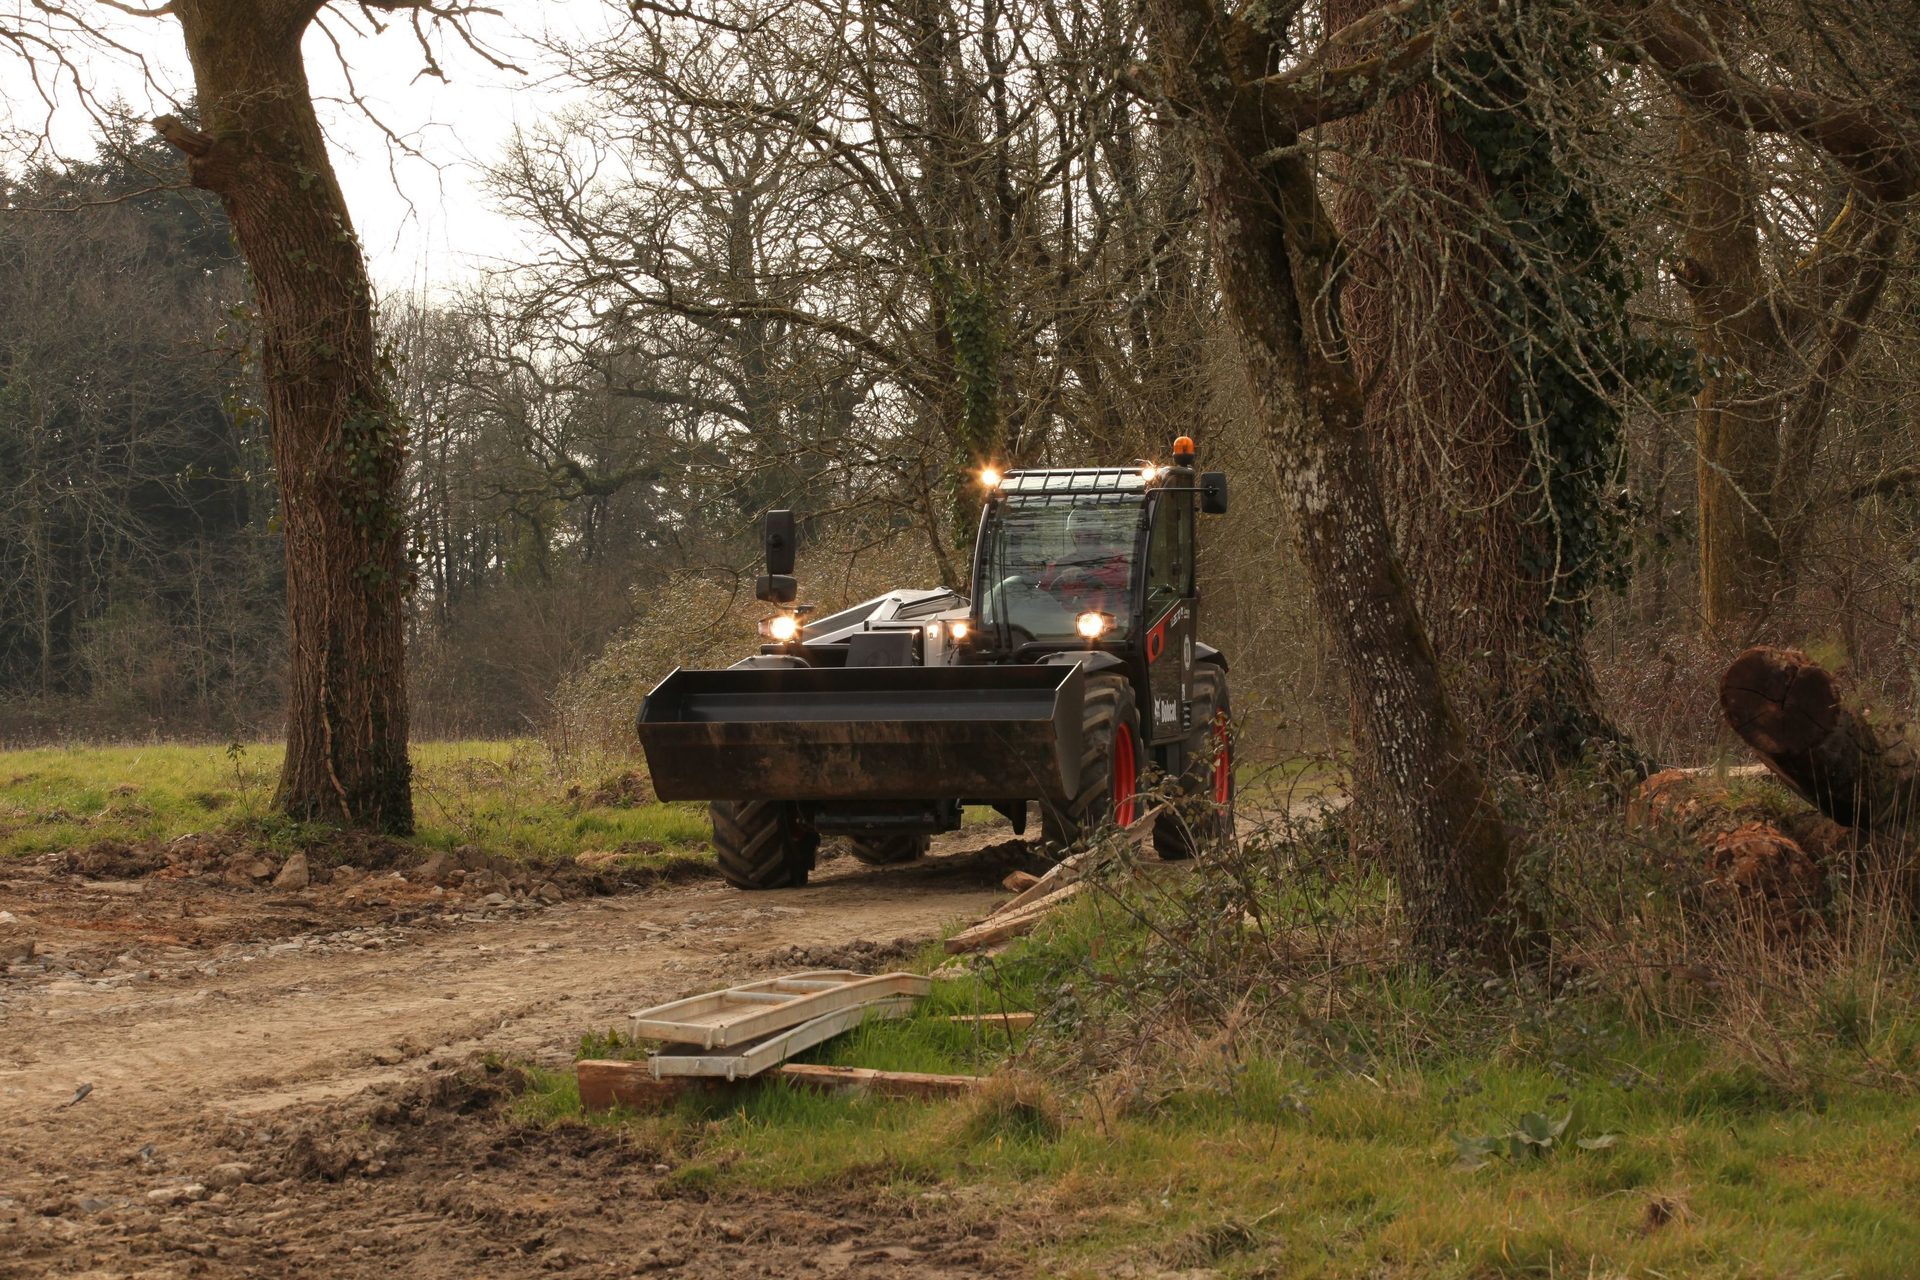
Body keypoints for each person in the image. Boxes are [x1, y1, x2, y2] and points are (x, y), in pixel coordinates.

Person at [1038, 506, 1131, 617]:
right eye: (1078, 533)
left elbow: (1117, 580)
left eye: (1088, 533)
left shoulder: (1115, 558)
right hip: (1065, 621)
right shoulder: (1062, 562)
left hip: (1109, 618)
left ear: (1098, 533)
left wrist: (1084, 574)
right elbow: (1043, 592)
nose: (1082, 537)